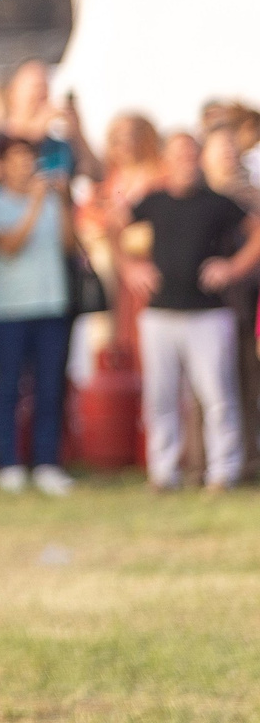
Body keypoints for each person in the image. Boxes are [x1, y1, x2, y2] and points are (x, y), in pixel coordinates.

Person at [128, 131, 260, 491]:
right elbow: (113, 224)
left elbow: (256, 232)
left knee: (218, 396)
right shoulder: (152, 201)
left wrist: (233, 268)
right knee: (161, 397)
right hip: (160, 313)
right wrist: (130, 267)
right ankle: (163, 472)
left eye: (191, 155)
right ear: (167, 160)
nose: (186, 162)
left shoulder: (218, 203)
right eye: (179, 155)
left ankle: (224, 472)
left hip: (209, 312)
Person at [0, 137, 73, 494]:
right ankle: (9, 463)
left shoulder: (52, 200)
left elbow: (68, 245)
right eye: (16, 160)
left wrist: (61, 202)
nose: (24, 166)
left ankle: (47, 462)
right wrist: (35, 203)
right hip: (10, 310)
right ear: (2, 165)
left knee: (50, 388)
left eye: (29, 159)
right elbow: (10, 246)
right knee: (8, 389)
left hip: (51, 306)